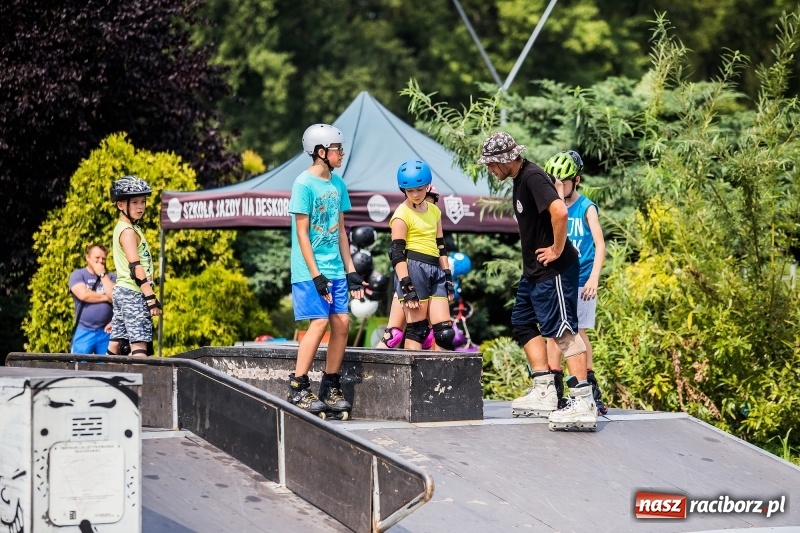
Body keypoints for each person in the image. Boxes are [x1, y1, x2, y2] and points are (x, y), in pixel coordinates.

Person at [477, 132, 597, 431]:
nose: (490, 170)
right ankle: (545, 391)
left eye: (492, 165)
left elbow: (559, 211)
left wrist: (557, 248)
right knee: (522, 321)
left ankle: (583, 399)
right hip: (533, 272)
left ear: (506, 160)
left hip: (554, 270)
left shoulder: (532, 176)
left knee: (563, 330)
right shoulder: (520, 179)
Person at [287, 123, 365, 420]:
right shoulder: (303, 185)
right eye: (337, 149)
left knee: (342, 323)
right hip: (309, 270)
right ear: (321, 152)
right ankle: (298, 385)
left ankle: (330, 386)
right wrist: (316, 274)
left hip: (335, 267)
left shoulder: (338, 184)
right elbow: (302, 235)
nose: (341, 153)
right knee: (319, 324)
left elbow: (342, 230)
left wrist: (351, 270)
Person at [543, 150, 608, 414]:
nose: (559, 186)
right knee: (552, 333)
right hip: (557, 279)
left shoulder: (586, 207)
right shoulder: (553, 206)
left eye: (564, 182)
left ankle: (589, 388)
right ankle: (553, 386)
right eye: (554, 182)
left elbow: (600, 244)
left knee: (577, 332)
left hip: (581, 280)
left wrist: (594, 276)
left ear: (576, 180)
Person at [386, 160, 456, 351]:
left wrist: (448, 277)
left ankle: (440, 380)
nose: (415, 194)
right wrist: (406, 284)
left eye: (419, 188)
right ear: (403, 191)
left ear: (427, 186)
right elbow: (397, 254)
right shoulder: (401, 214)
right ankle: (410, 380)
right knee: (418, 331)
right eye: (410, 191)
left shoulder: (434, 211)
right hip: (414, 268)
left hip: (436, 268)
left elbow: (441, 247)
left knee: (444, 333)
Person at [377, 185, 442, 350]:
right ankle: (372, 371)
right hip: (410, 274)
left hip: (430, 274)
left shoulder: (432, 215)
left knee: (435, 334)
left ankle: (429, 374)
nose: (419, 198)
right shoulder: (405, 214)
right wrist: (407, 284)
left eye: (430, 199)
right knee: (395, 335)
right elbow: (396, 251)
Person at [106, 176, 162, 358]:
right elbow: (135, 267)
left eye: (143, 202)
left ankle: (103, 380)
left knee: (116, 346)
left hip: (123, 292)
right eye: (135, 202)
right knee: (139, 347)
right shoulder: (128, 231)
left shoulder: (127, 227)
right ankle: (141, 385)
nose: (141, 207)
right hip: (134, 293)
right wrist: (151, 298)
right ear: (120, 205)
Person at [69, 244, 116, 354]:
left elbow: (114, 296)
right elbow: (84, 295)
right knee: (79, 367)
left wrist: (102, 275)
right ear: (88, 258)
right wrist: (106, 297)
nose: (101, 261)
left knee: (107, 368)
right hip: (84, 330)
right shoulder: (78, 275)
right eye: (97, 258)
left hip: (106, 332)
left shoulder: (111, 277)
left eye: (103, 258)